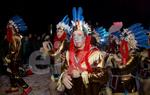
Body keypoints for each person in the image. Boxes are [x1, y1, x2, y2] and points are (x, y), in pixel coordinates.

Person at [57, 7, 109, 95]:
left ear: (85, 37)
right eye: (74, 35)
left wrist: (83, 74)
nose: (76, 38)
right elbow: (64, 69)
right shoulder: (68, 53)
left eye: (79, 35)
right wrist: (63, 77)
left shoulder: (95, 53)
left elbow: (104, 76)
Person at [3, 15, 32, 94]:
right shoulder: (15, 36)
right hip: (14, 59)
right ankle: (14, 87)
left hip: (14, 59)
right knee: (10, 73)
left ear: (12, 27)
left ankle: (27, 88)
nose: (7, 26)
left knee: (15, 75)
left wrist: (7, 58)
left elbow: (13, 50)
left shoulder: (15, 37)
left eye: (9, 24)